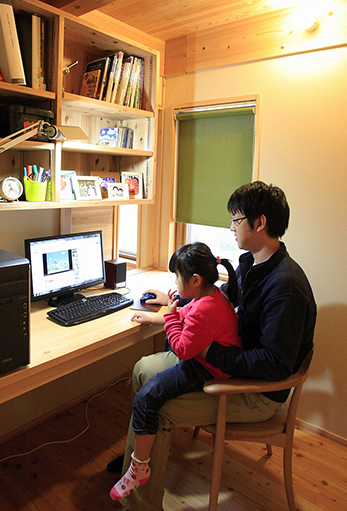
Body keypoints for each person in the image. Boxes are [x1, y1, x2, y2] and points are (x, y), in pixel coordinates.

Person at [115, 181, 317, 511]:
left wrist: (208, 351)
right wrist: (178, 302)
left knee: (158, 407)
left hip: (256, 391)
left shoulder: (285, 286)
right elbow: (222, 303)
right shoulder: (252, 264)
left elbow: (274, 365)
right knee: (142, 369)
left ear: (260, 223)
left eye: (236, 220)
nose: (232, 227)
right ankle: (138, 454)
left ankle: (138, 500)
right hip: (225, 362)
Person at [110, 243, 241, 501]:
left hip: (206, 370)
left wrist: (169, 317)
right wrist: (155, 318)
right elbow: (183, 315)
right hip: (205, 362)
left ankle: (139, 468)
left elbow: (182, 349)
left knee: (147, 398)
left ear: (195, 280)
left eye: (177, 277)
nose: (175, 282)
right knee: (149, 389)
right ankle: (138, 461)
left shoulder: (204, 310)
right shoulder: (210, 296)